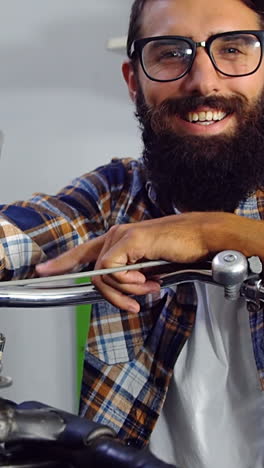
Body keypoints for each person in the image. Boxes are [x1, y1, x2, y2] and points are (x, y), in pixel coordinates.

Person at [1, 0, 264, 466]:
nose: (203, 81)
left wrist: (211, 231)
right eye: (170, 53)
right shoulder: (114, 196)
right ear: (132, 81)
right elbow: (16, 232)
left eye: (234, 49)